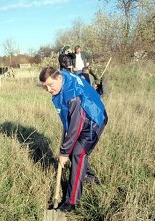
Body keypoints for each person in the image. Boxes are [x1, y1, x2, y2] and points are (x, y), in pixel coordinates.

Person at [39, 67, 108, 212]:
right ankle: (90, 177)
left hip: (94, 120)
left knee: (77, 153)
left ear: (58, 78)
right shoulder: (62, 76)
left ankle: (71, 202)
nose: (49, 90)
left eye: (51, 85)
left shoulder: (73, 96)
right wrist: (66, 149)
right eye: (46, 87)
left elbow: (75, 127)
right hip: (83, 118)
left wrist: (64, 152)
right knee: (72, 151)